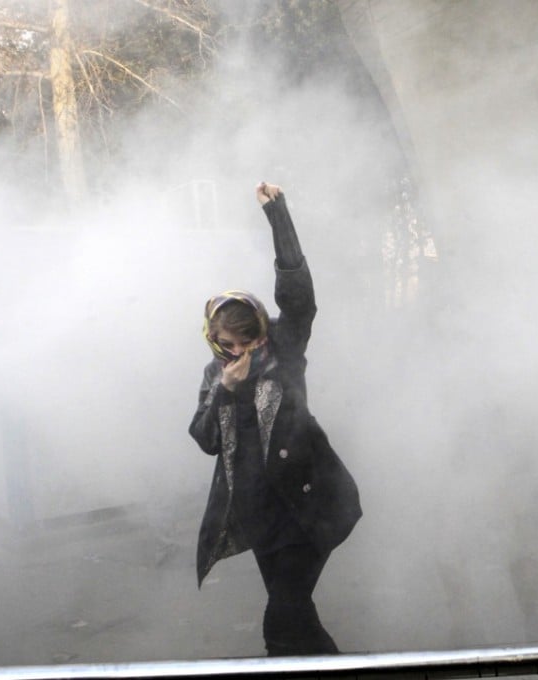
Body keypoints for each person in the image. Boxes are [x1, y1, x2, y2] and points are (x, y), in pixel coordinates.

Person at [189, 181, 362, 656]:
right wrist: (225, 392)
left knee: (280, 625)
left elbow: (299, 299)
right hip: (259, 516)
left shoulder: (282, 349)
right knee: (300, 621)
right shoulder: (215, 374)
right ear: (215, 338)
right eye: (230, 344)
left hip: (308, 511)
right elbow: (205, 439)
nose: (240, 352)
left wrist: (277, 215)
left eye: (249, 340)